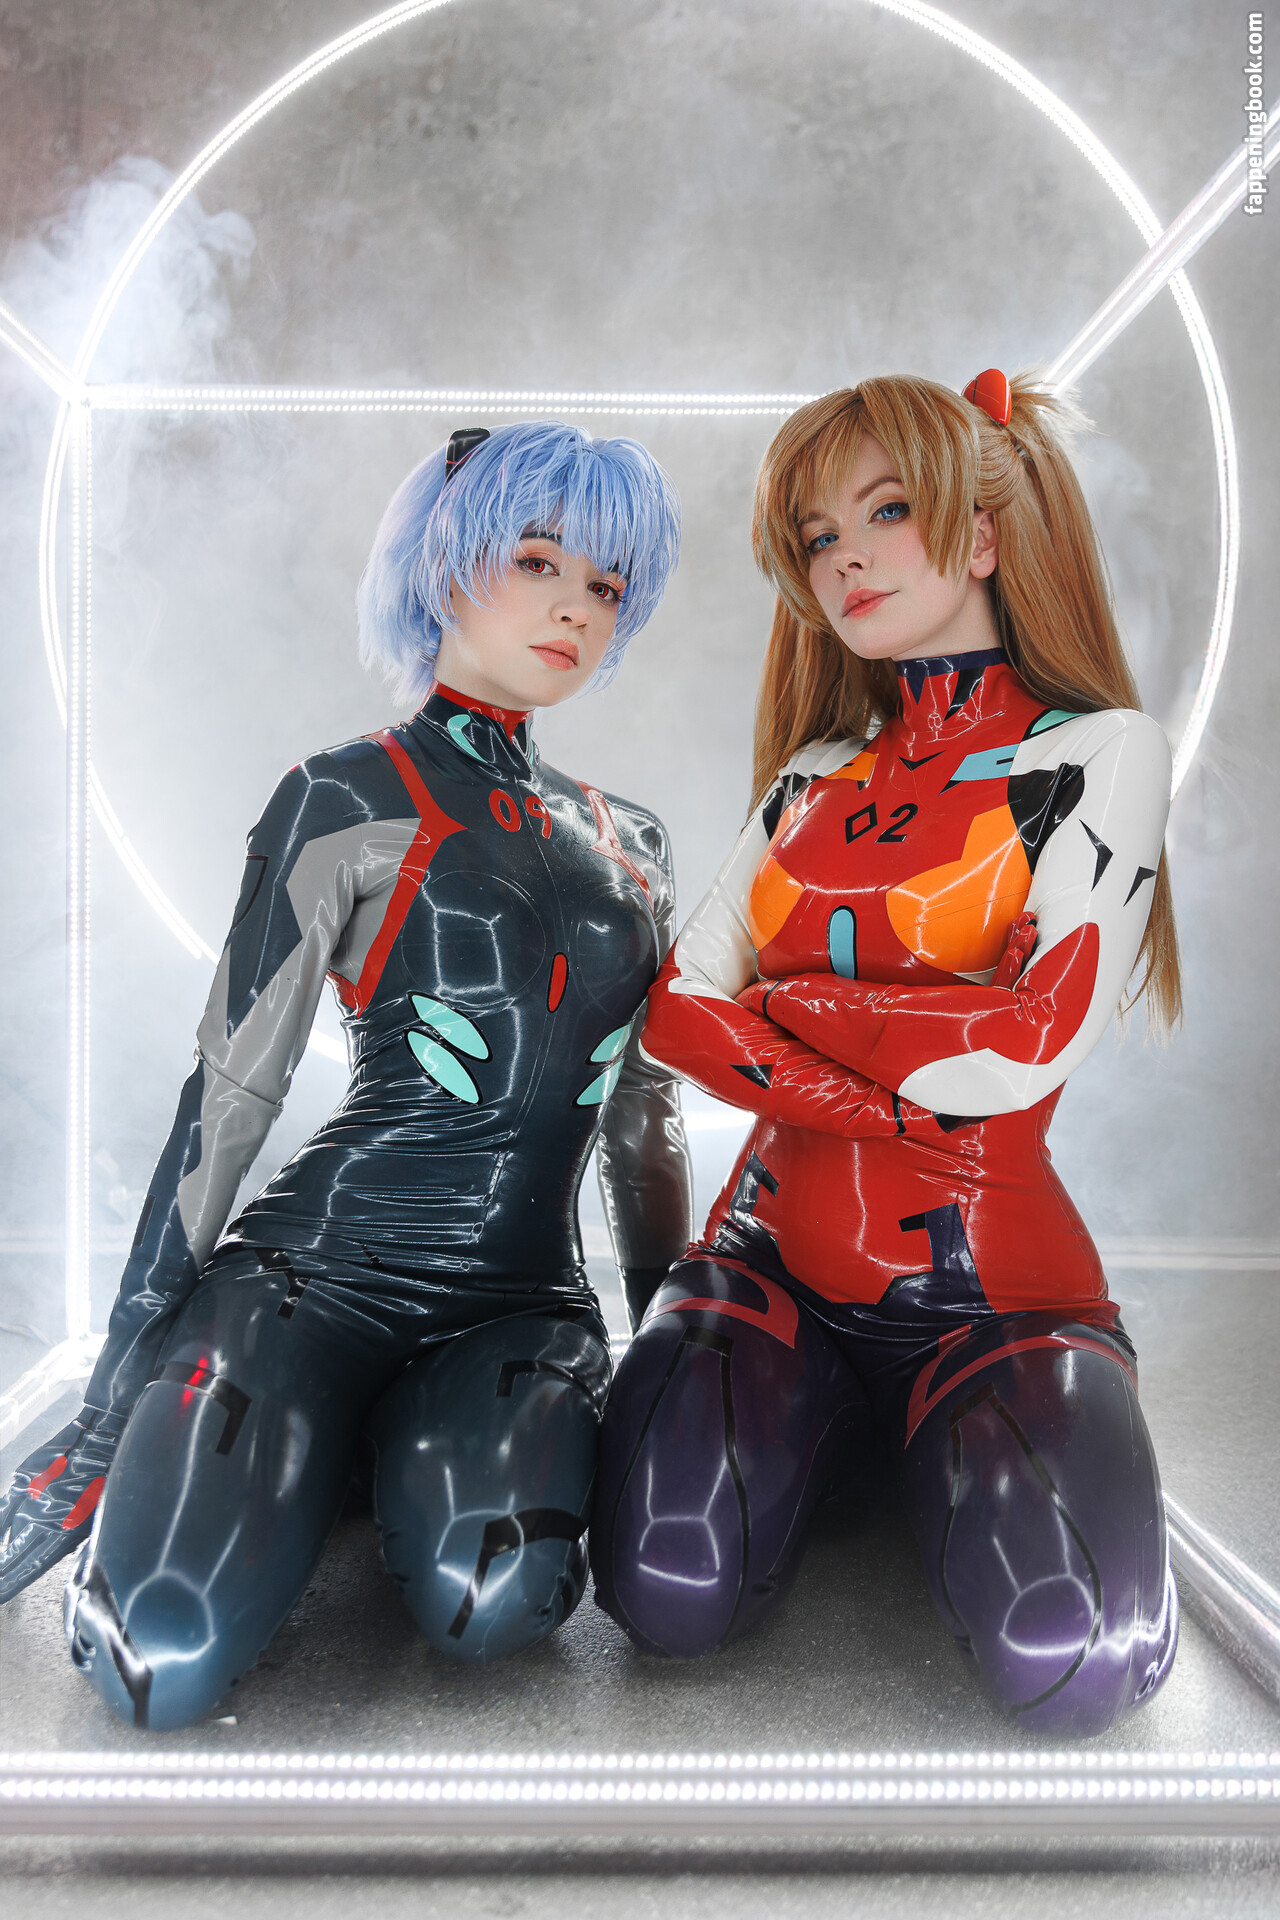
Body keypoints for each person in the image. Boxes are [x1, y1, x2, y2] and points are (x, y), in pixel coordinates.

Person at [0, 421, 692, 1730]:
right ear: (444, 563)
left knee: (495, 1599)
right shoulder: (340, 794)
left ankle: (350, 1465)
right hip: (309, 1282)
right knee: (153, 1655)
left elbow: (642, 1121)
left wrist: (670, 1365)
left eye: (606, 584)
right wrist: (111, 1396)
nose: (575, 608)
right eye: (537, 561)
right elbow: (229, 1098)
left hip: (520, 1312)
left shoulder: (634, 841)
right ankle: (298, 1452)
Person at [590, 371, 1180, 1737]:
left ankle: (892, 1450)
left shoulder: (1099, 754)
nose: (845, 555)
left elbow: (1025, 1047)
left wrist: (790, 1006)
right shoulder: (812, 774)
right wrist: (892, 1080)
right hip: (763, 1268)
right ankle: (849, 1445)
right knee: (666, 1585)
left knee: (1076, 1652)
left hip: (996, 1304)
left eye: (887, 511)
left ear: (982, 532)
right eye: (817, 535)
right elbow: (674, 1013)